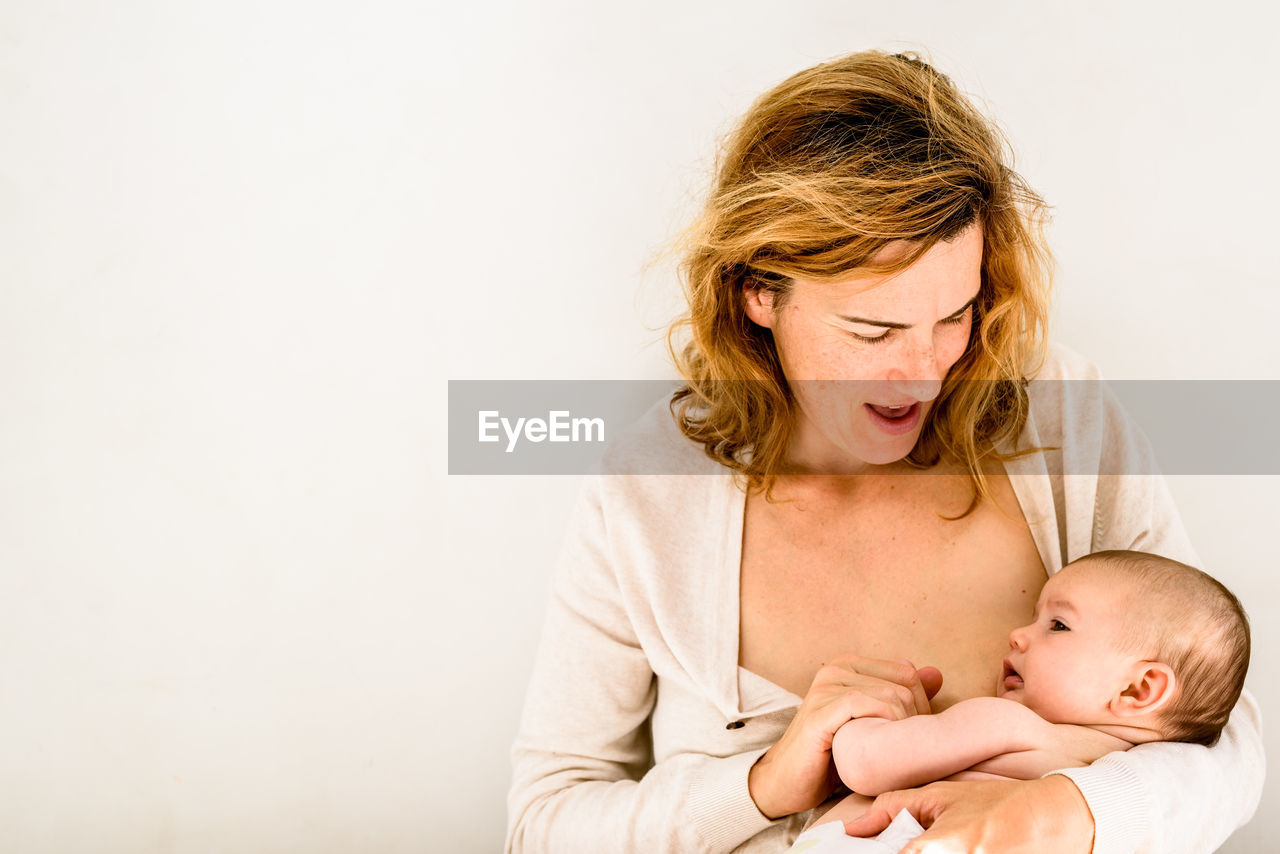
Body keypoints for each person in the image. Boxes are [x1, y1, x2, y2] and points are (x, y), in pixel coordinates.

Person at [504, 49, 1264, 853]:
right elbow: (543, 824)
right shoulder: (648, 493)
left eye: (955, 316)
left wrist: (1058, 811)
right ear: (757, 294)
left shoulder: (1058, 419)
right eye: (873, 331)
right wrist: (763, 784)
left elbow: (1222, 740)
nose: (927, 374)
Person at [790, 549, 1251, 849]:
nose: (1017, 635)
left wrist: (858, 719)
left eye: (1058, 626)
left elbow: (866, 763)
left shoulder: (1009, 724)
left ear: (1137, 689)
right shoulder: (1136, 784)